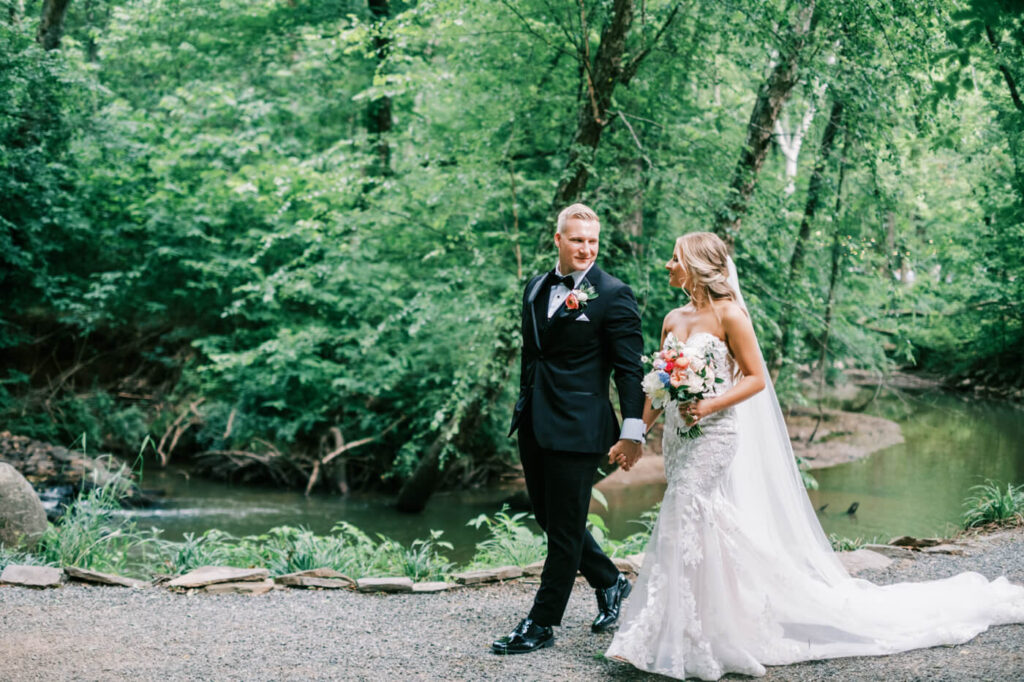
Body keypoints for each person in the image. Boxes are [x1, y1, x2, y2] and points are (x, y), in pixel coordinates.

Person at [605, 231, 1024, 680]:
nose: (668, 265)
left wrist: (708, 404)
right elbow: (659, 385)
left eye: (674, 258)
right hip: (678, 439)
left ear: (698, 264)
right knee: (701, 523)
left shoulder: (730, 315)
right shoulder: (672, 318)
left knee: (683, 512)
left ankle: (683, 634)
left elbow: (754, 379)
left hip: (715, 435)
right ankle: (710, 618)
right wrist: (637, 434)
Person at [492, 203, 645, 655]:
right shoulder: (536, 286)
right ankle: (611, 581)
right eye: (577, 239)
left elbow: (628, 371)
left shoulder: (614, 294)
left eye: (593, 241)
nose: (586, 248)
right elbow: (533, 355)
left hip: (580, 427)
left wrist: (632, 430)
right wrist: (525, 403)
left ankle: (540, 623)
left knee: (563, 528)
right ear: (558, 239)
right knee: (549, 517)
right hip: (535, 421)